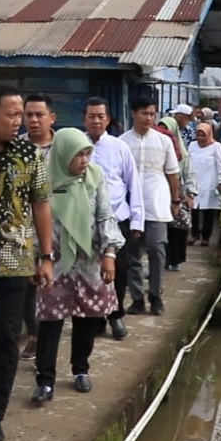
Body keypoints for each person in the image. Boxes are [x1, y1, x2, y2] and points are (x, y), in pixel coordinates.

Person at [0, 85, 55, 441]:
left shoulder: (29, 154)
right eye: (12, 114)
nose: (19, 121)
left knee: (7, 335)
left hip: (15, 258)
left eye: (22, 114)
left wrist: (47, 255)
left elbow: (41, 204)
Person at [30, 128, 124, 404]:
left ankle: (80, 369)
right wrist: (38, 257)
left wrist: (109, 253)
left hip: (89, 261)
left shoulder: (95, 177)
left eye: (87, 154)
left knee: (88, 319)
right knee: (49, 321)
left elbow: (105, 215)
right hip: (55, 262)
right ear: (62, 154)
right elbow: (35, 220)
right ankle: (44, 380)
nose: (84, 160)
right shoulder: (44, 178)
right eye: (78, 155)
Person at [83, 97, 143, 341]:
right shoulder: (77, 146)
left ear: (108, 119)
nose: (96, 120)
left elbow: (133, 184)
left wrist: (137, 222)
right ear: (84, 119)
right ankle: (95, 317)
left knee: (118, 271)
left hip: (119, 221)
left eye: (101, 116)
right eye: (91, 116)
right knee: (91, 272)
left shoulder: (119, 148)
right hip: (86, 224)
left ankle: (115, 315)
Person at [119, 96, 182, 316]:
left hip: (157, 203)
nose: (149, 118)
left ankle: (155, 294)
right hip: (129, 206)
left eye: (152, 113)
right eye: (144, 113)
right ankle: (137, 299)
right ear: (134, 113)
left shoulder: (164, 141)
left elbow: (173, 174)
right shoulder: (123, 142)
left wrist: (176, 200)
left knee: (157, 249)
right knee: (132, 254)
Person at [18, 93, 57, 361]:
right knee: (26, 288)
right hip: (22, 230)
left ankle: (49, 339)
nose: (33, 120)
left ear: (51, 118)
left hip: (57, 228)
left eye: (38, 115)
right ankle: (33, 335)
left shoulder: (63, 149)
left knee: (53, 286)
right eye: (28, 115)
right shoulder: (16, 147)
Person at [159, 107, 197, 273]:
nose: (163, 133)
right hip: (160, 195)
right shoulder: (157, 149)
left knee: (177, 230)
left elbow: (189, 174)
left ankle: (175, 260)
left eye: (166, 129)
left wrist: (190, 193)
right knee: (161, 231)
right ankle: (160, 262)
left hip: (177, 195)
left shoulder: (182, 153)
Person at [187, 122, 221, 246]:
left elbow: (220, 164)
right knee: (193, 210)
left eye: (203, 136)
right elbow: (188, 162)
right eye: (198, 135)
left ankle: (206, 237)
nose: (200, 138)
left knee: (209, 211)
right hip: (194, 181)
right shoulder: (192, 145)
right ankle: (194, 234)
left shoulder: (216, 147)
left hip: (210, 182)